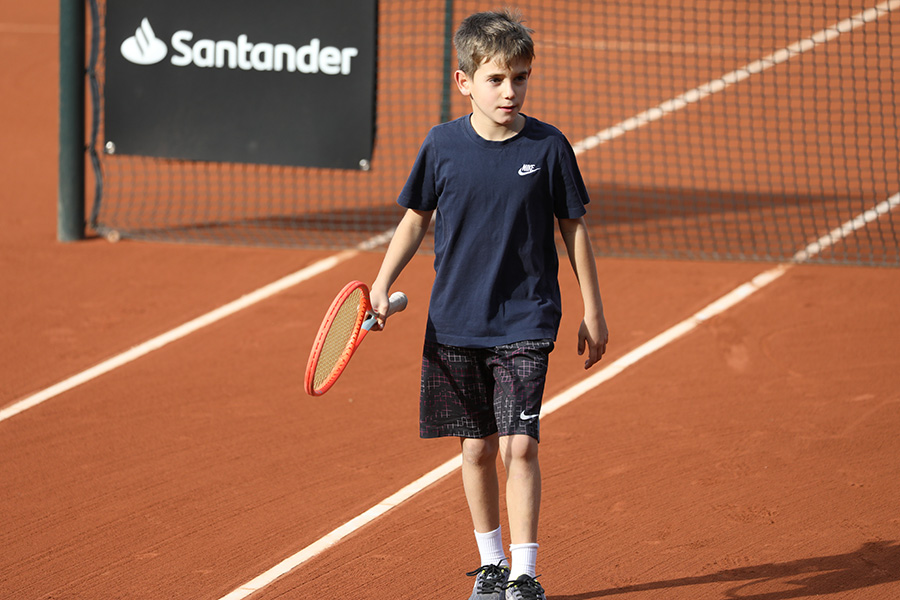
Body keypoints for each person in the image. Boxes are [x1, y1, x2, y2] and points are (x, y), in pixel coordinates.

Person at [369, 9, 608, 600]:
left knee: (519, 444)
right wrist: (381, 280)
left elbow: (573, 229)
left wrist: (593, 308)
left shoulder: (549, 147)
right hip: (454, 322)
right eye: (497, 79)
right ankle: (493, 564)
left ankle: (526, 575)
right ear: (465, 81)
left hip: (526, 319)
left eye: (520, 78)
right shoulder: (441, 146)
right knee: (475, 449)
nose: (510, 91)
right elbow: (414, 220)